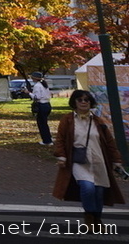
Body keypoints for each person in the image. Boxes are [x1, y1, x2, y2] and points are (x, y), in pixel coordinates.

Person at [52, 90, 125, 226]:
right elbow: (60, 140)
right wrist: (61, 156)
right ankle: (89, 217)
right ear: (74, 102)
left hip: (98, 162)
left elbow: (110, 143)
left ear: (91, 103)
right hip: (79, 162)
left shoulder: (98, 122)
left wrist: (116, 160)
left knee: (98, 192)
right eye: (80, 100)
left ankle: (97, 220)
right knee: (87, 188)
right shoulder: (67, 120)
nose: (84, 102)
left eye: (87, 100)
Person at [29, 72, 53, 146]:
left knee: (41, 124)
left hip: (41, 105)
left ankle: (46, 140)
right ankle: (48, 138)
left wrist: (29, 93)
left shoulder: (37, 86)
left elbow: (37, 97)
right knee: (45, 123)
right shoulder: (44, 85)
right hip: (47, 104)